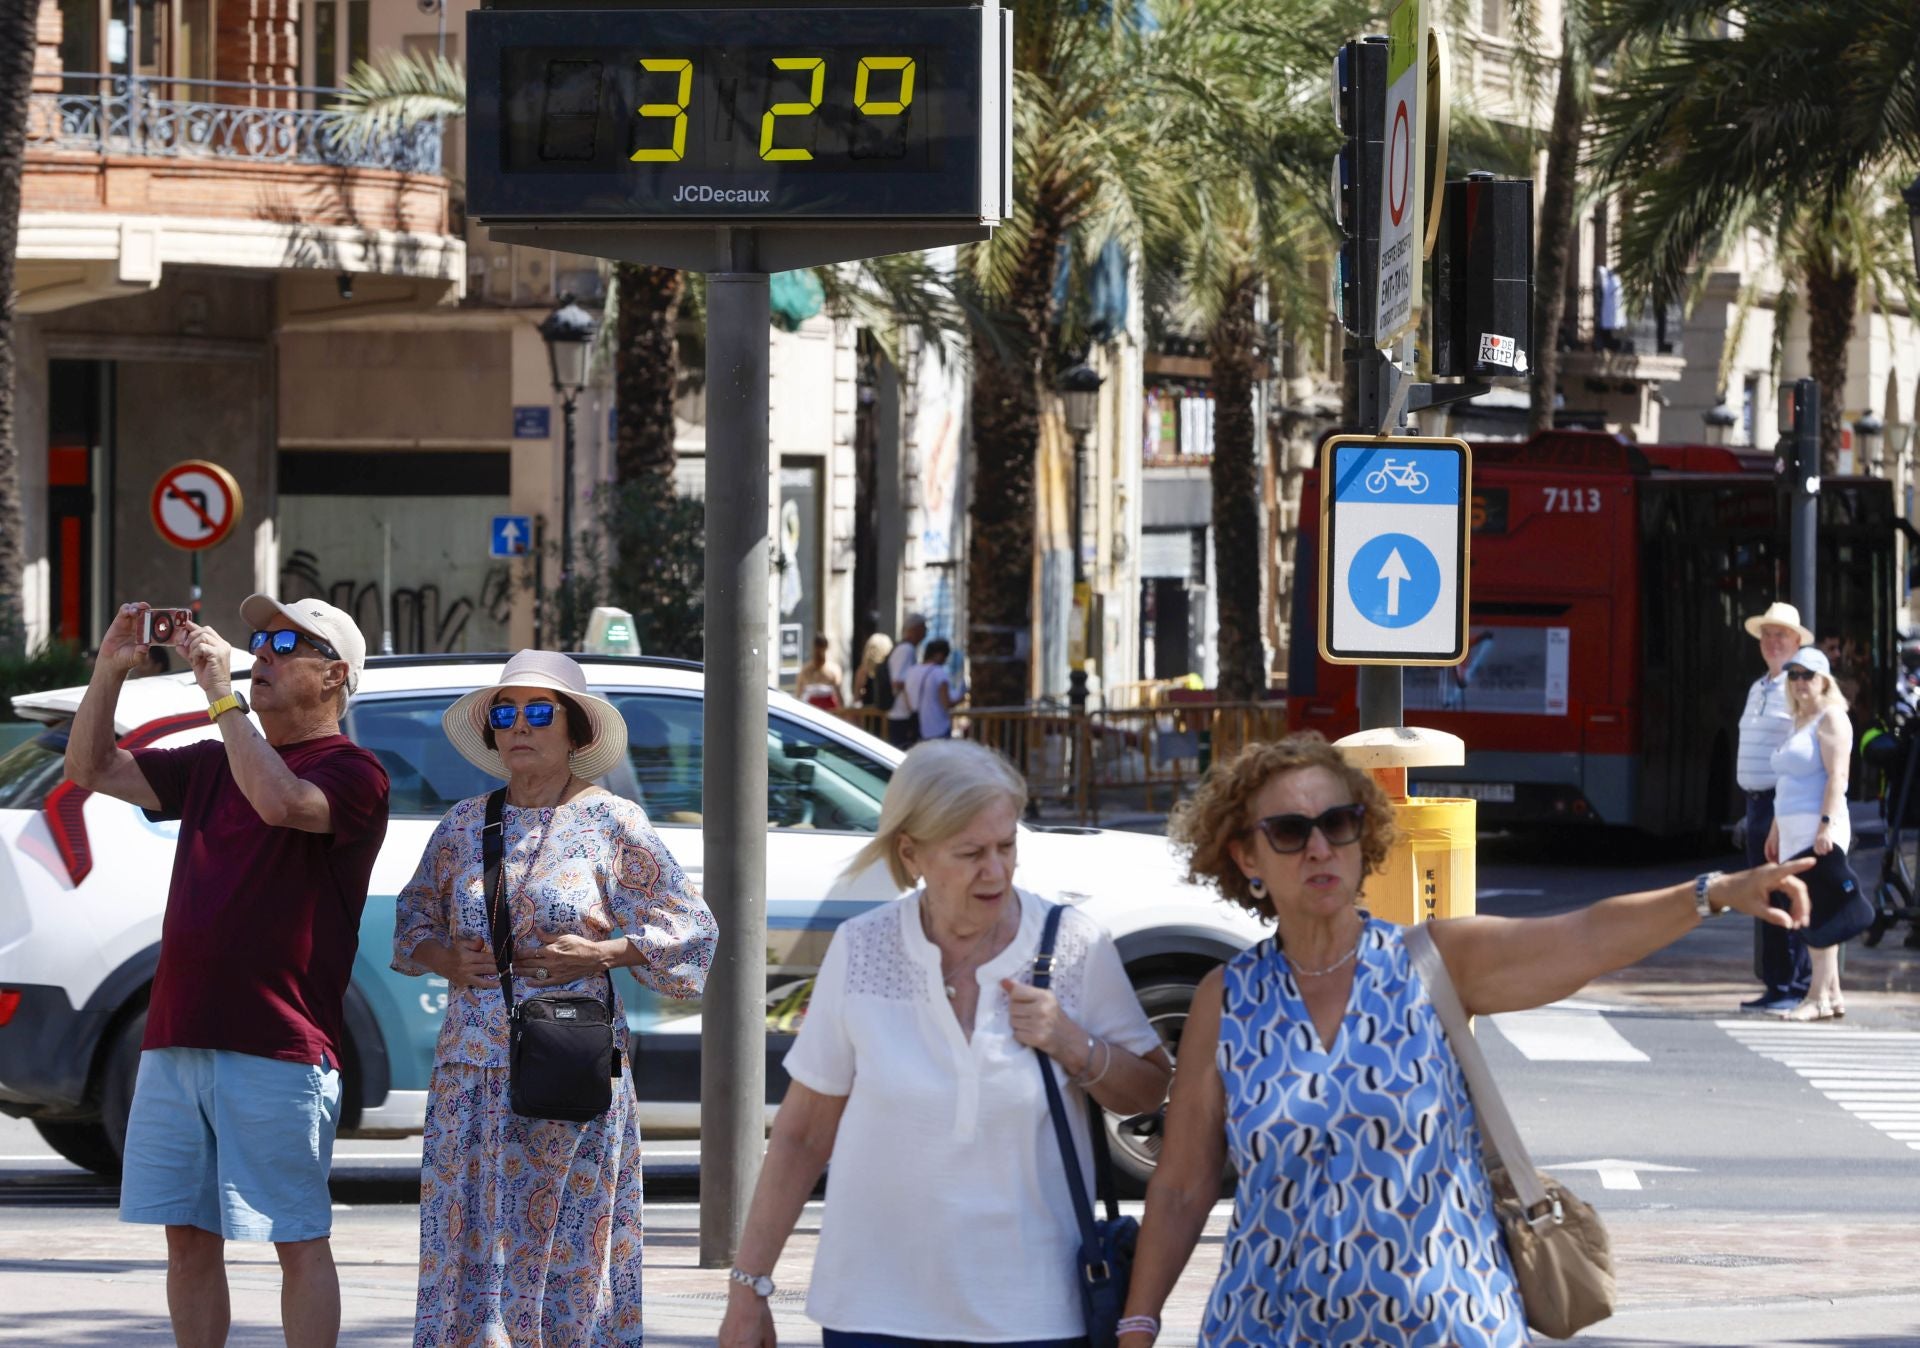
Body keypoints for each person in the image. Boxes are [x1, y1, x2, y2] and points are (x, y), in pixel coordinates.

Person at [1116, 732, 1812, 1346]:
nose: (1321, 847)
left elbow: (1588, 937)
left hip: (1446, 1322)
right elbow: (1181, 1187)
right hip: (1268, 1326)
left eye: (1339, 822)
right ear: (1246, 857)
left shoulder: (1433, 961)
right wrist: (1139, 1323)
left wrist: (1711, 893)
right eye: (1292, 831)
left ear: (1365, 837)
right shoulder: (1227, 999)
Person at [717, 739, 1173, 1348]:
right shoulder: (862, 948)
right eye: (971, 852)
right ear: (913, 854)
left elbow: (1149, 1088)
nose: (997, 870)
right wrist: (748, 1290)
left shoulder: (1072, 946)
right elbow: (801, 1136)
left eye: (1007, 846)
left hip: (1035, 1315)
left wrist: (1072, 1043)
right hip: (872, 1310)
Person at [66, 596, 389, 1348]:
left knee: (295, 1238)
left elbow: (283, 804)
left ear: (334, 674)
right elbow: (90, 767)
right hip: (178, 1037)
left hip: (278, 1046)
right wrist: (110, 668)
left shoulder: (353, 770)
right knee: (186, 1237)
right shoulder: (216, 762)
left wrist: (221, 694)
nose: (262, 655)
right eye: (258, 641)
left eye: (285, 643)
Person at [392, 649, 717, 1346]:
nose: (519, 726)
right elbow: (412, 917)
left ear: (576, 733)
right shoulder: (461, 825)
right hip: (471, 1078)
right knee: (467, 1242)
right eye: (504, 715)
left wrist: (605, 952)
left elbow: (691, 928)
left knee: (568, 1247)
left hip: (568, 1067)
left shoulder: (612, 822)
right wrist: (445, 957)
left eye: (540, 712)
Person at [1766, 645, 1853, 1021]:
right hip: (1791, 826)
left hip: (1818, 827)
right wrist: (1774, 829)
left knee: (1817, 913)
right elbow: (1785, 780)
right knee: (1814, 910)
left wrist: (1826, 825)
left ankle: (1816, 997)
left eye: (1808, 675)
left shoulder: (1832, 718)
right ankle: (1831, 995)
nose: (1800, 682)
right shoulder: (1798, 720)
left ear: (1824, 680)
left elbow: (1838, 776)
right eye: (1794, 675)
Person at [1736, 600, 1812, 1013]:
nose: (1772, 642)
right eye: (1767, 635)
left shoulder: (1796, 686)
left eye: (1780, 635)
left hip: (1778, 805)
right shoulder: (1760, 686)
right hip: (1757, 803)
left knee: (1782, 894)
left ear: (1796, 642)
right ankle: (1776, 982)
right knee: (1762, 894)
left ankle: (1793, 985)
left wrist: (1780, 816)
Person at [885, 610, 928, 750]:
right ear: (915, 629)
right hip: (901, 713)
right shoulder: (906, 650)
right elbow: (897, 681)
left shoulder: (908, 649)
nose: (926, 631)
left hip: (903, 712)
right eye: (923, 627)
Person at [905, 638, 961, 741]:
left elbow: (908, 699)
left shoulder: (911, 671)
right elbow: (946, 703)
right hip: (938, 727)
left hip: (917, 726)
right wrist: (961, 697)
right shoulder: (939, 673)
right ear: (939, 654)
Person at [798, 634, 846, 711]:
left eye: (821, 648)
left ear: (826, 648)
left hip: (829, 713)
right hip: (809, 713)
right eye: (817, 647)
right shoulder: (805, 671)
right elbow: (798, 695)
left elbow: (839, 697)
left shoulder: (833, 670)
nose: (819, 652)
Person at [853, 632, 896, 712]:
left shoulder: (863, 671)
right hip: (889, 715)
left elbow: (856, 698)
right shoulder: (891, 668)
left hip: (869, 717)